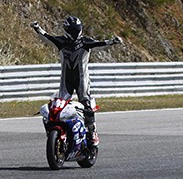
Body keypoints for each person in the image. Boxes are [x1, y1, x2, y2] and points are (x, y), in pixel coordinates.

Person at [32, 16, 122, 147]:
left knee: (86, 105)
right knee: (58, 108)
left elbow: (100, 44)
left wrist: (111, 42)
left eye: (76, 29)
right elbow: (47, 37)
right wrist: (37, 28)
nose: (75, 32)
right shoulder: (62, 41)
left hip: (82, 80)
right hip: (66, 80)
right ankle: (58, 133)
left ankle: (92, 132)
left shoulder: (86, 42)